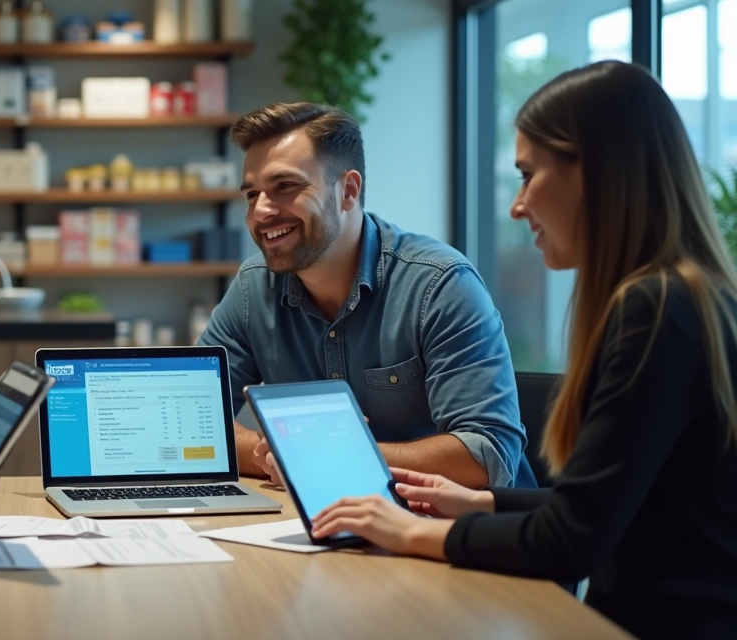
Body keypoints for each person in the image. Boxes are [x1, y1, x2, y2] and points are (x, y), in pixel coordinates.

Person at [311, 61, 737, 638]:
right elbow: (606, 508)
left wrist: (406, 530)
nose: (517, 206)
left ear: (596, 171)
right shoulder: (691, 297)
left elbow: (571, 542)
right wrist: (478, 503)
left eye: (528, 174)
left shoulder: (656, 311)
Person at [199, 102, 532, 489]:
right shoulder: (252, 289)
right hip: (334, 523)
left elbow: (487, 457)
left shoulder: (440, 284)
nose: (260, 212)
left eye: (285, 187)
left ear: (349, 190)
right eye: (252, 194)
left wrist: (328, 454)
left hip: (461, 534)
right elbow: (193, 425)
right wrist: (291, 454)